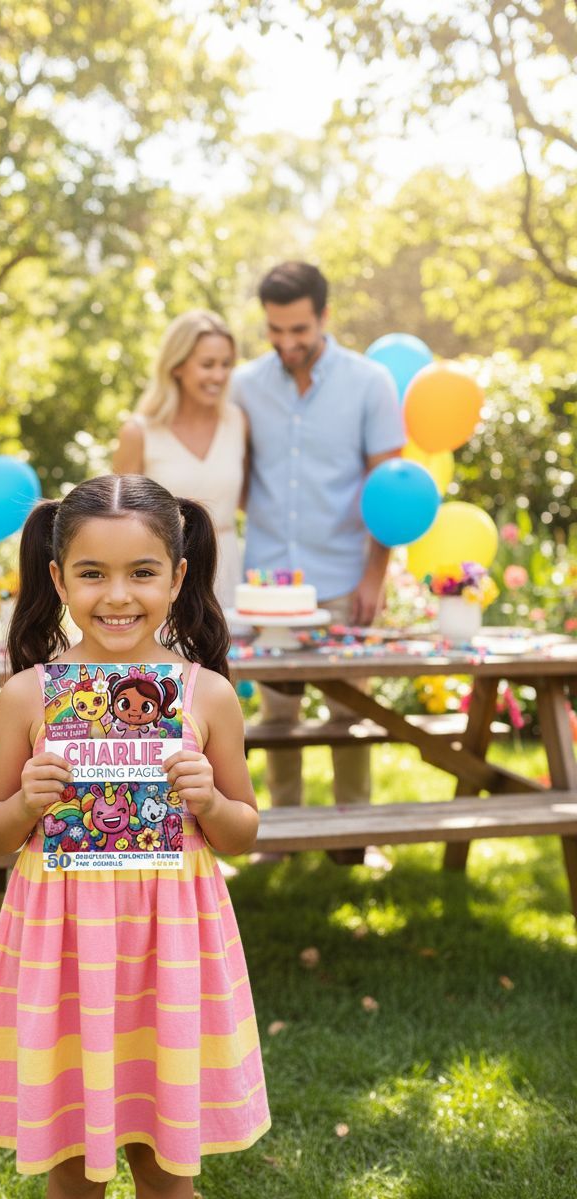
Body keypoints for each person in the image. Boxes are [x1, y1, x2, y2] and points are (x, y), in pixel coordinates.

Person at [0, 474, 270, 1199]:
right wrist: (26, 803)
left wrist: (210, 802)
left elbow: (243, 831)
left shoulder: (207, 697)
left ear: (178, 575)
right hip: (65, 952)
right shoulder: (29, 697)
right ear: (58, 577)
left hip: (169, 951)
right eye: (93, 573)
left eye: (141, 572)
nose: (117, 595)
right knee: (74, 1162)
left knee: (166, 1157)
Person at [231, 261, 404, 844]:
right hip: (269, 582)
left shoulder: (370, 383)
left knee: (350, 714)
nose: (287, 343)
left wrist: (374, 577)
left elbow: (391, 486)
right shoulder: (245, 385)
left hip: (342, 577)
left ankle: (352, 837)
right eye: (275, 330)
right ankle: (281, 835)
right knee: (277, 713)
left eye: (299, 330)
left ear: (325, 317)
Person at [112, 310, 246, 608]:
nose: (219, 376)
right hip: (164, 576)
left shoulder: (237, 422)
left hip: (227, 570)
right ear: (177, 366)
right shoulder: (139, 432)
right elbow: (117, 522)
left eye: (226, 365)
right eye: (207, 365)